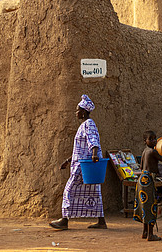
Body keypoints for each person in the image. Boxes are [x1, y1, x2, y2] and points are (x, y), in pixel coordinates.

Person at [50, 95, 107, 231]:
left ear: (83, 111)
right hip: (83, 163)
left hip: (85, 166)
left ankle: (64, 220)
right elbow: (80, 148)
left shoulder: (88, 124)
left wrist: (94, 154)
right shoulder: (84, 125)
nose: (76, 113)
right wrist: (68, 161)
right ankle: (101, 221)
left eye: (77, 110)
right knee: (94, 192)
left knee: (69, 190)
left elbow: (93, 140)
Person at [134, 130, 162, 241]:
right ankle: (151, 235)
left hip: (141, 179)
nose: (154, 140)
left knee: (144, 207)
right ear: (144, 141)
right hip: (148, 180)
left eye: (155, 138)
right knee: (151, 206)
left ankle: (145, 232)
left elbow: (141, 166)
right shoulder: (153, 151)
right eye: (150, 139)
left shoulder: (144, 151)